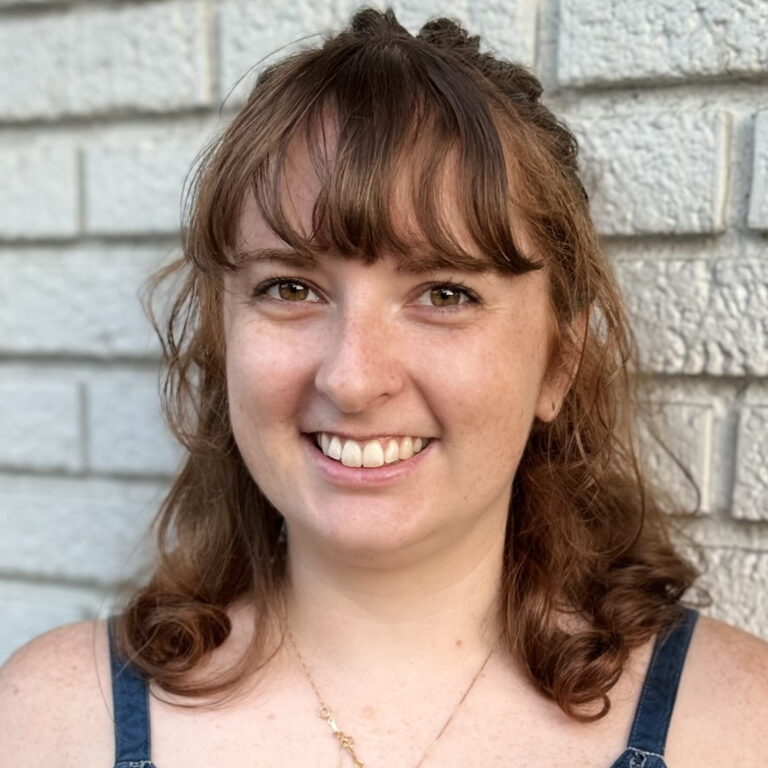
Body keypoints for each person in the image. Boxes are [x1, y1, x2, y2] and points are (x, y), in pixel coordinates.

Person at [1, 7, 767, 767]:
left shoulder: (737, 725)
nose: (353, 377)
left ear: (558, 364)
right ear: (222, 341)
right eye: (291, 288)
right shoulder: (54, 723)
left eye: (444, 293)